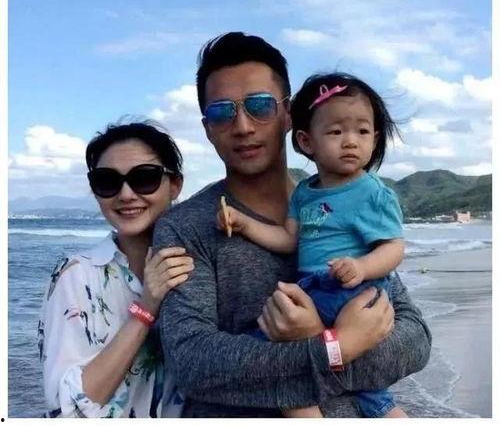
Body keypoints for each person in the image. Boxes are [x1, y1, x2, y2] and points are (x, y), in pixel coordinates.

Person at [154, 32, 431, 417]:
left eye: (260, 105)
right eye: (221, 112)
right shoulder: (185, 228)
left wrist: (318, 345)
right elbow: (194, 363)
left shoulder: (347, 201)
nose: (243, 126)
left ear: (287, 115)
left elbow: (415, 340)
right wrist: (335, 347)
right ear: (207, 128)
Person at [217, 72, 408, 418]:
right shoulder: (305, 192)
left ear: (375, 138)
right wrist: (244, 224)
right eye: (336, 132)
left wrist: (361, 266)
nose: (350, 141)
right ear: (307, 141)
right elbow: (289, 239)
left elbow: (394, 247)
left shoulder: (372, 193)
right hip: (314, 287)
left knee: (275, 357)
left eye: (362, 131)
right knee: (361, 386)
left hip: (352, 289)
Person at [37, 120, 193, 417]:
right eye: (108, 181)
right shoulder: (76, 276)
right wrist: (146, 308)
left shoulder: (198, 267)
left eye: (144, 178)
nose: (126, 194)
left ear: (175, 185)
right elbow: (66, 410)